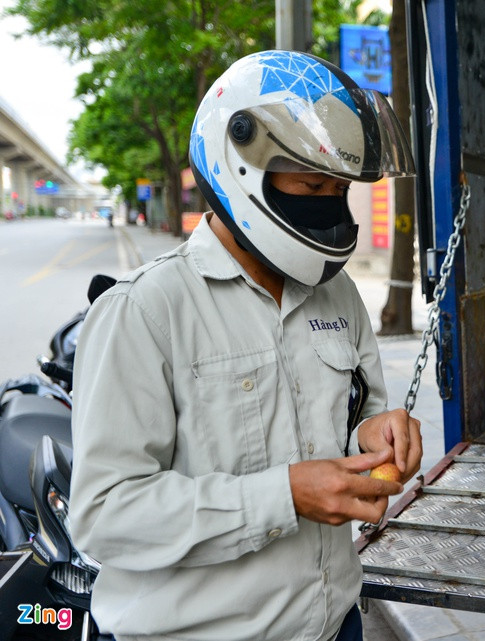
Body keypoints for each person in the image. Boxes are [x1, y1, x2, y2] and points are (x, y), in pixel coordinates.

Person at [70, 50, 422, 641]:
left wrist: (372, 433)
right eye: (312, 184)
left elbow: (354, 415)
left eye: (340, 189)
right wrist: (282, 495)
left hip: (337, 626)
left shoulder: (337, 298)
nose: (330, 206)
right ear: (239, 166)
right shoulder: (144, 312)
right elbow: (106, 514)